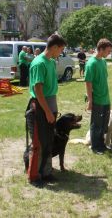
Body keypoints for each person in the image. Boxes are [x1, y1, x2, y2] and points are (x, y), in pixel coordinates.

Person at [26, 34, 67, 187]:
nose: (61, 52)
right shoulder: (39, 63)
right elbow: (38, 90)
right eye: (61, 49)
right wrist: (48, 111)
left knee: (48, 140)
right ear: (54, 47)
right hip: (40, 106)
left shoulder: (50, 62)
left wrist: (52, 109)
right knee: (38, 142)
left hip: (50, 103)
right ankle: (34, 176)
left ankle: (46, 172)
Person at [85, 39, 112, 154]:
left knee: (103, 124)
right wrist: (90, 100)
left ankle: (101, 144)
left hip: (106, 98)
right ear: (100, 49)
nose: (109, 53)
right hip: (97, 99)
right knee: (96, 124)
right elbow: (88, 82)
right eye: (108, 51)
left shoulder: (103, 62)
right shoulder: (92, 63)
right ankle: (95, 146)